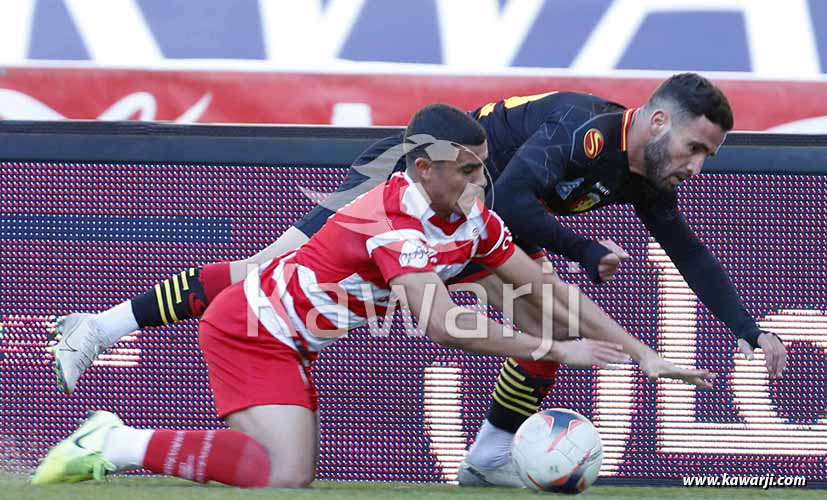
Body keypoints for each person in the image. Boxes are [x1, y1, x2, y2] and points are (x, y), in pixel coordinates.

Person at [49, 73, 781, 486]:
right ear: (654, 122)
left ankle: (491, 452)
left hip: (464, 210)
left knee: (550, 320)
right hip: (430, 187)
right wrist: (583, 250)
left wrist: (743, 333)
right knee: (262, 271)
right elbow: (514, 203)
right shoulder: (576, 134)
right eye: (693, 148)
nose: (696, 166)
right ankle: (101, 327)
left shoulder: (644, 177)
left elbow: (687, 254)